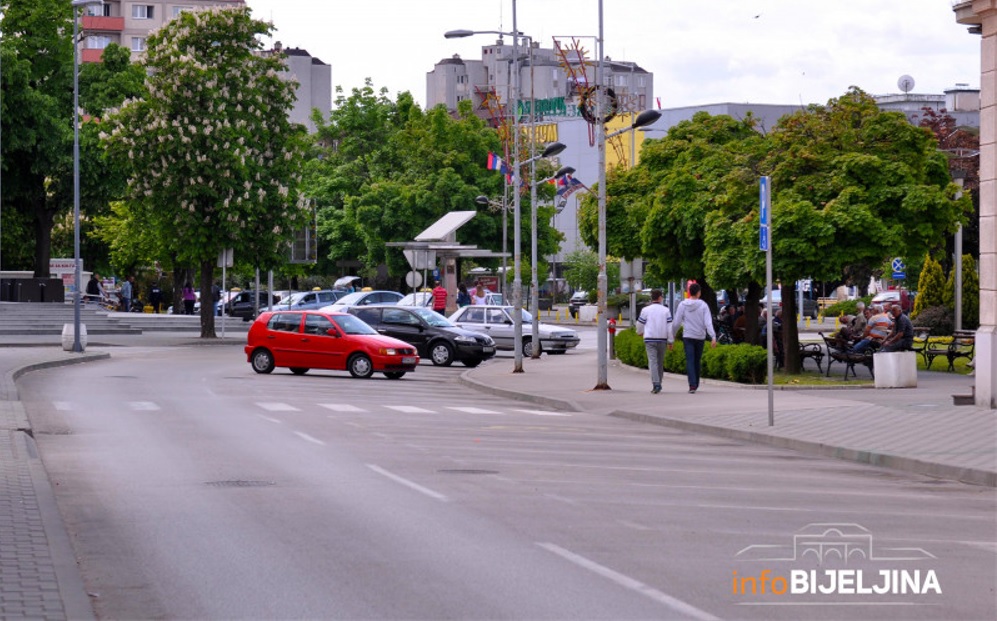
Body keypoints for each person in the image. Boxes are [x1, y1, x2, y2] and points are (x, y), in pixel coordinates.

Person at [670, 282, 717, 394]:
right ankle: (696, 383)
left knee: (690, 360)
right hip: (700, 336)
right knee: (697, 360)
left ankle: (692, 385)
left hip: (688, 336)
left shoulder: (682, 305)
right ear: (699, 292)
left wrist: (672, 334)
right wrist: (713, 336)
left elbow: (676, 322)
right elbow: (708, 322)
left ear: (689, 292)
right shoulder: (703, 305)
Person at [635, 289, 673, 394]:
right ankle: (659, 382)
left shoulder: (645, 310)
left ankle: (656, 384)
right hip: (662, 339)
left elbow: (640, 324)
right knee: (660, 362)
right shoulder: (666, 310)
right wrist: (670, 341)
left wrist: (639, 332)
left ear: (652, 298)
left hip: (649, 339)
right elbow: (670, 327)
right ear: (660, 297)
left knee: (652, 362)